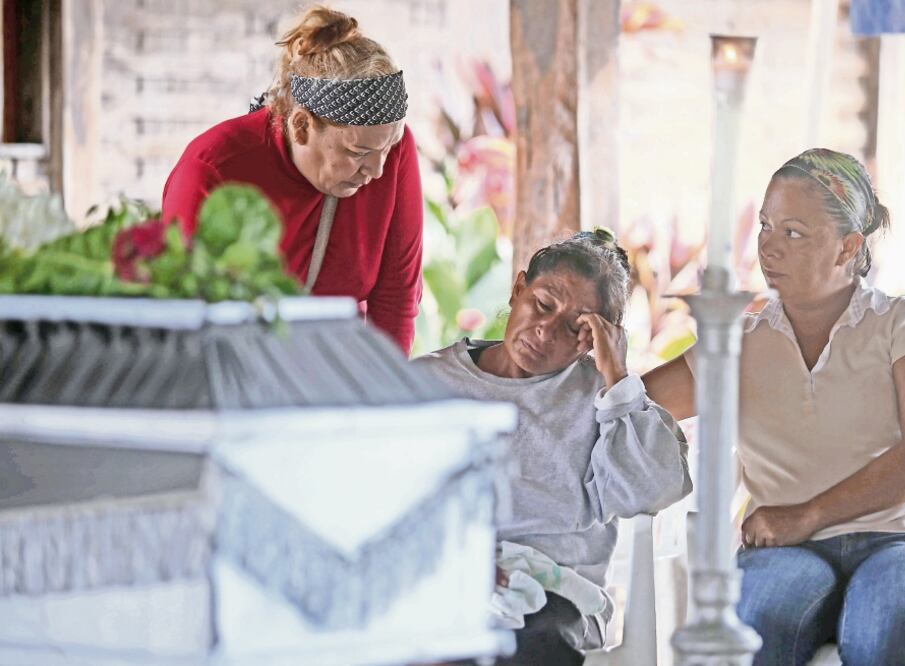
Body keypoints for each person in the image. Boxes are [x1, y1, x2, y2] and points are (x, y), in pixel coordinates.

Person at [642, 148, 905, 665]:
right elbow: (636, 403)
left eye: (793, 233)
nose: (768, 248)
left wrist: (808, 514)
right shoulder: (738, 341)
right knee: (753, 628)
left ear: (848, 247)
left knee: (884, 630)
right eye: (765, 226)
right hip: (790, 553)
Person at [414, 230, 692, 665]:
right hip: (439, 577)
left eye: (574, 327)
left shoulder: (601, 400)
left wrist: (617, 377)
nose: (545, 331)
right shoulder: (424, 383)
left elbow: (653, 488)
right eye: (542, 304)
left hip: (554, 594)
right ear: (518, 288)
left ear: (596, 339)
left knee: (527, 643)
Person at [162, 6, 422, 353]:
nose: (377, 170)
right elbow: (186, 312)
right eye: (357, 153)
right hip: (240, 365)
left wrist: (388, 395)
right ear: (301, 126)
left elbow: (396, 295)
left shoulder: (393, 149)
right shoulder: (212, 170)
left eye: (387, 147)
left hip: (341, 367)